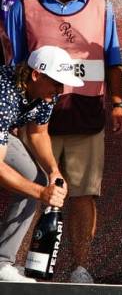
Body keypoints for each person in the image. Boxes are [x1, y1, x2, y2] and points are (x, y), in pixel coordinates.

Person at [4, 0, 122, 283]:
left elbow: (113, 59)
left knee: (83, 193)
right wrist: (14, 117)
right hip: (34, 121)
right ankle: (14, 265)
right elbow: (15, 65)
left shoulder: (103, 7)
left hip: (85, 117)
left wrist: (118, 103)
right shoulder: (23, 8)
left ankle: (80, 268)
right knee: (32, 186)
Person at [0, 46, 79, 282]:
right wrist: (41, 193)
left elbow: (38, 132)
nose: (60, 90)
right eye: (56, 83)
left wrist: (54, 171)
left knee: (36, 180)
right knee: (36, 187)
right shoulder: (4, 95)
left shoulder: (45, 93)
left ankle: (1, 262)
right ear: (36, 75)